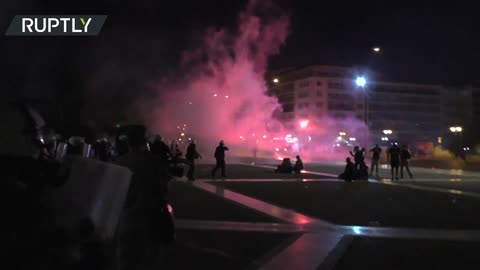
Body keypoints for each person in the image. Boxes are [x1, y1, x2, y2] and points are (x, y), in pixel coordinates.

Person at [115, 125, 173, 270]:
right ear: (145, 141)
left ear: (128, 142)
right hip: (151, 214)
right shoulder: (155, 162)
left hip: (127, 215)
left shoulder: (120, 162)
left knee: (126, 258)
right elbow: (163, 187)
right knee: (149, 258)